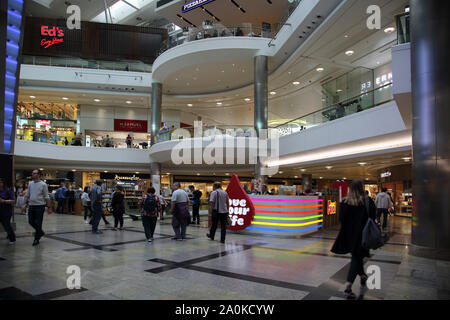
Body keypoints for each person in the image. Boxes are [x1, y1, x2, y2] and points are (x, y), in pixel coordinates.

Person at [331, 180, 376, 300]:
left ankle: (362, 276)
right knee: (357, 258)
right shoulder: (366, 201)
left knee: (356, 257)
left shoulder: (345, 202)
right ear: (361, 188)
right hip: (362, 235)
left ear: (350, 189)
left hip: (348, 236)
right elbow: (373, 217)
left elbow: (341, 219)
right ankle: (348, 287)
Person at [23, 170, 52, 246]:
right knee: (30, 221)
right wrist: (24, 204)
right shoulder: (30, 184)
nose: (32, 174)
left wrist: (49, 207)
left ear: (38, 175)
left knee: (39, 223)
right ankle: (40, 232)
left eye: (34, 173)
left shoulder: (43, 184)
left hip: (40, 206)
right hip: (31, 205)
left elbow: (46, 196)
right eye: (32, 173)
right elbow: (27, 194)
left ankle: (36, 239)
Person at [0, 178, 16, 245]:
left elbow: (13, 200)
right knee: (4, 225)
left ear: (3, 183)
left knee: (7, 225)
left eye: (0, 182)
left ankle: (12, 238)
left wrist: (4, 201)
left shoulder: (7, 191)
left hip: (6, 211)